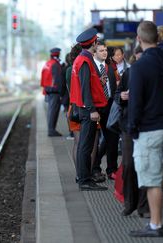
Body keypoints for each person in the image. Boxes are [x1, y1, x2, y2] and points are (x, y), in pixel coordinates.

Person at [127, 21, 163, 237]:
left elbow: (135, 102)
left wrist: (132, 128)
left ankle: (156, 224)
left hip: (149, 129)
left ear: (139, 39)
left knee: (152, 180)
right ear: (158, 39)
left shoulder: (140, 66)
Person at [70, 27, 108, 191]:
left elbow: (87, 85)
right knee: (85, 146)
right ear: (93, 43)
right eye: (96, 41)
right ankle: (84, 180)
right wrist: (92, 109)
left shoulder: (82, 59)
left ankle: (85, 178)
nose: (97, 43)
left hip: (84, 108)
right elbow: (85, 88)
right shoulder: (85, 61)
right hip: (87, 110)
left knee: (84, 145)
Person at [114, 45, 149, 218]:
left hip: (147, 124)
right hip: (128, 124)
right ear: (135, 56)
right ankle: (130, 202)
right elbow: (117, 94)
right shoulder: (130, 73)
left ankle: (144, 206)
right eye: (140, 57)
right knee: (128, 165)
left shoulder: (153, 72)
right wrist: (121, 97)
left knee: (144, 166)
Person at [90, 41, 119, 182]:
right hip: (96, 108)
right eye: (101, 50)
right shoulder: (90, 68)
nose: (104, 52)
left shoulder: (109, 68)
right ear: (94, 53)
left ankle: (112, 169)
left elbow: (113, 88)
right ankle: (95, 169)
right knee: (94, 141)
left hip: (109, 105)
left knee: (112, 138)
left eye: (105, 50)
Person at [66, 44, 83, 164]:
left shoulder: (68, 70)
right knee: (88, 144)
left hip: (72, 108)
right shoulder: (81, 68)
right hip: (81, 108)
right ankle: (85, 175)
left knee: (77, 143)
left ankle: (79, 174)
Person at [40, 47, 63, 136]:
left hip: (48, 89)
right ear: (58, 54)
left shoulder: (48, 63)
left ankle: (51, 129)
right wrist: (61, 92)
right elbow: (58, 79)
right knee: (53, 111)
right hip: (54, 91)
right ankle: (51, 130)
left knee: (51, 110)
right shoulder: (55, 65)